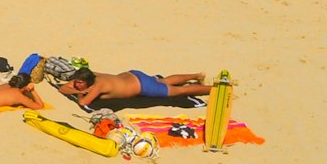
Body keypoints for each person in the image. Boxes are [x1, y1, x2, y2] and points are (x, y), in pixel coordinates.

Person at [59, 68, 212, 106]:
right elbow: (62, 88)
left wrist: (80, 93)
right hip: (133, 75)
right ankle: (197, 75)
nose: (77, 85)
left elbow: (84, 103)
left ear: (88, 82)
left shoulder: (97, 86)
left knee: (179, 91)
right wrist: (76, 88)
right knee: (163, 82)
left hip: (142, 86)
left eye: (80, 83)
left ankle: (212, 89)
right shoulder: (92, 76)